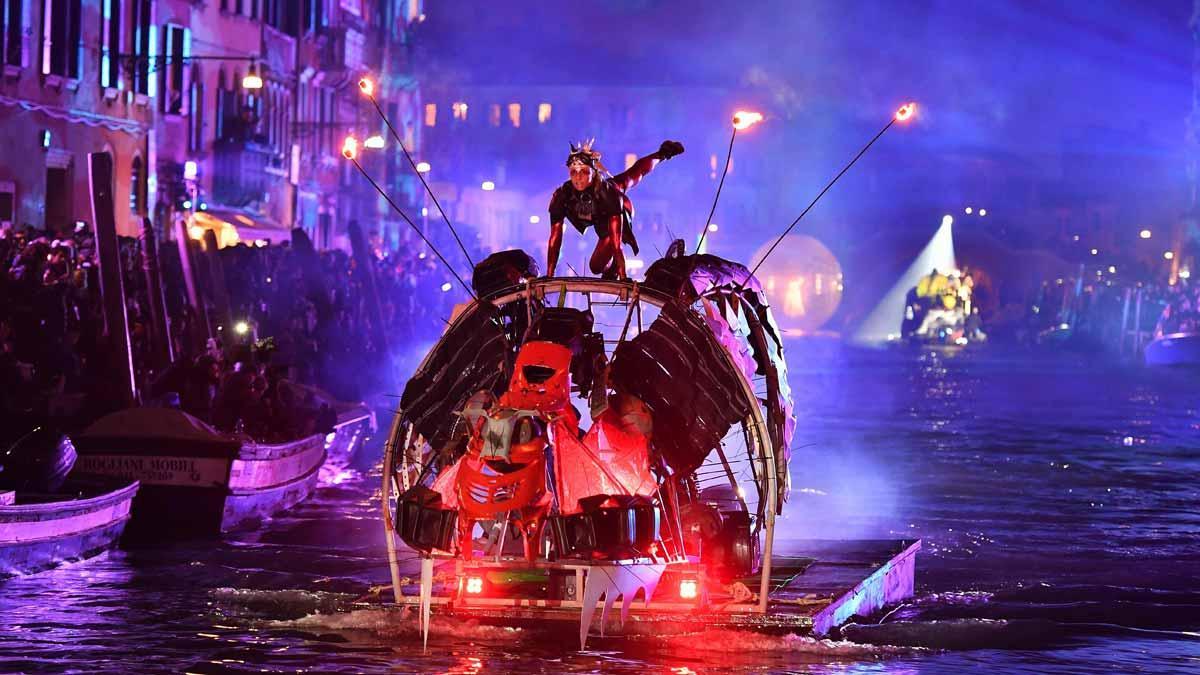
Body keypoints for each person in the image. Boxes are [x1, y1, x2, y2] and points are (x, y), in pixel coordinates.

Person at [546, 139, 684, 279]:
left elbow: (616, 242)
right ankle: (611, 268)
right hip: (600, 220)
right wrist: (549, 275)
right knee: (596, 266)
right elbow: (555, 237)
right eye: (573, 172)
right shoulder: (562, 195)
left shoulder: (608, 194)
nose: (578, 178)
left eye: (583, 171)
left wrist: (623, 275)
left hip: (620, 208)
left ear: (593, 172)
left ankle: (614, 269)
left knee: (597, 265)